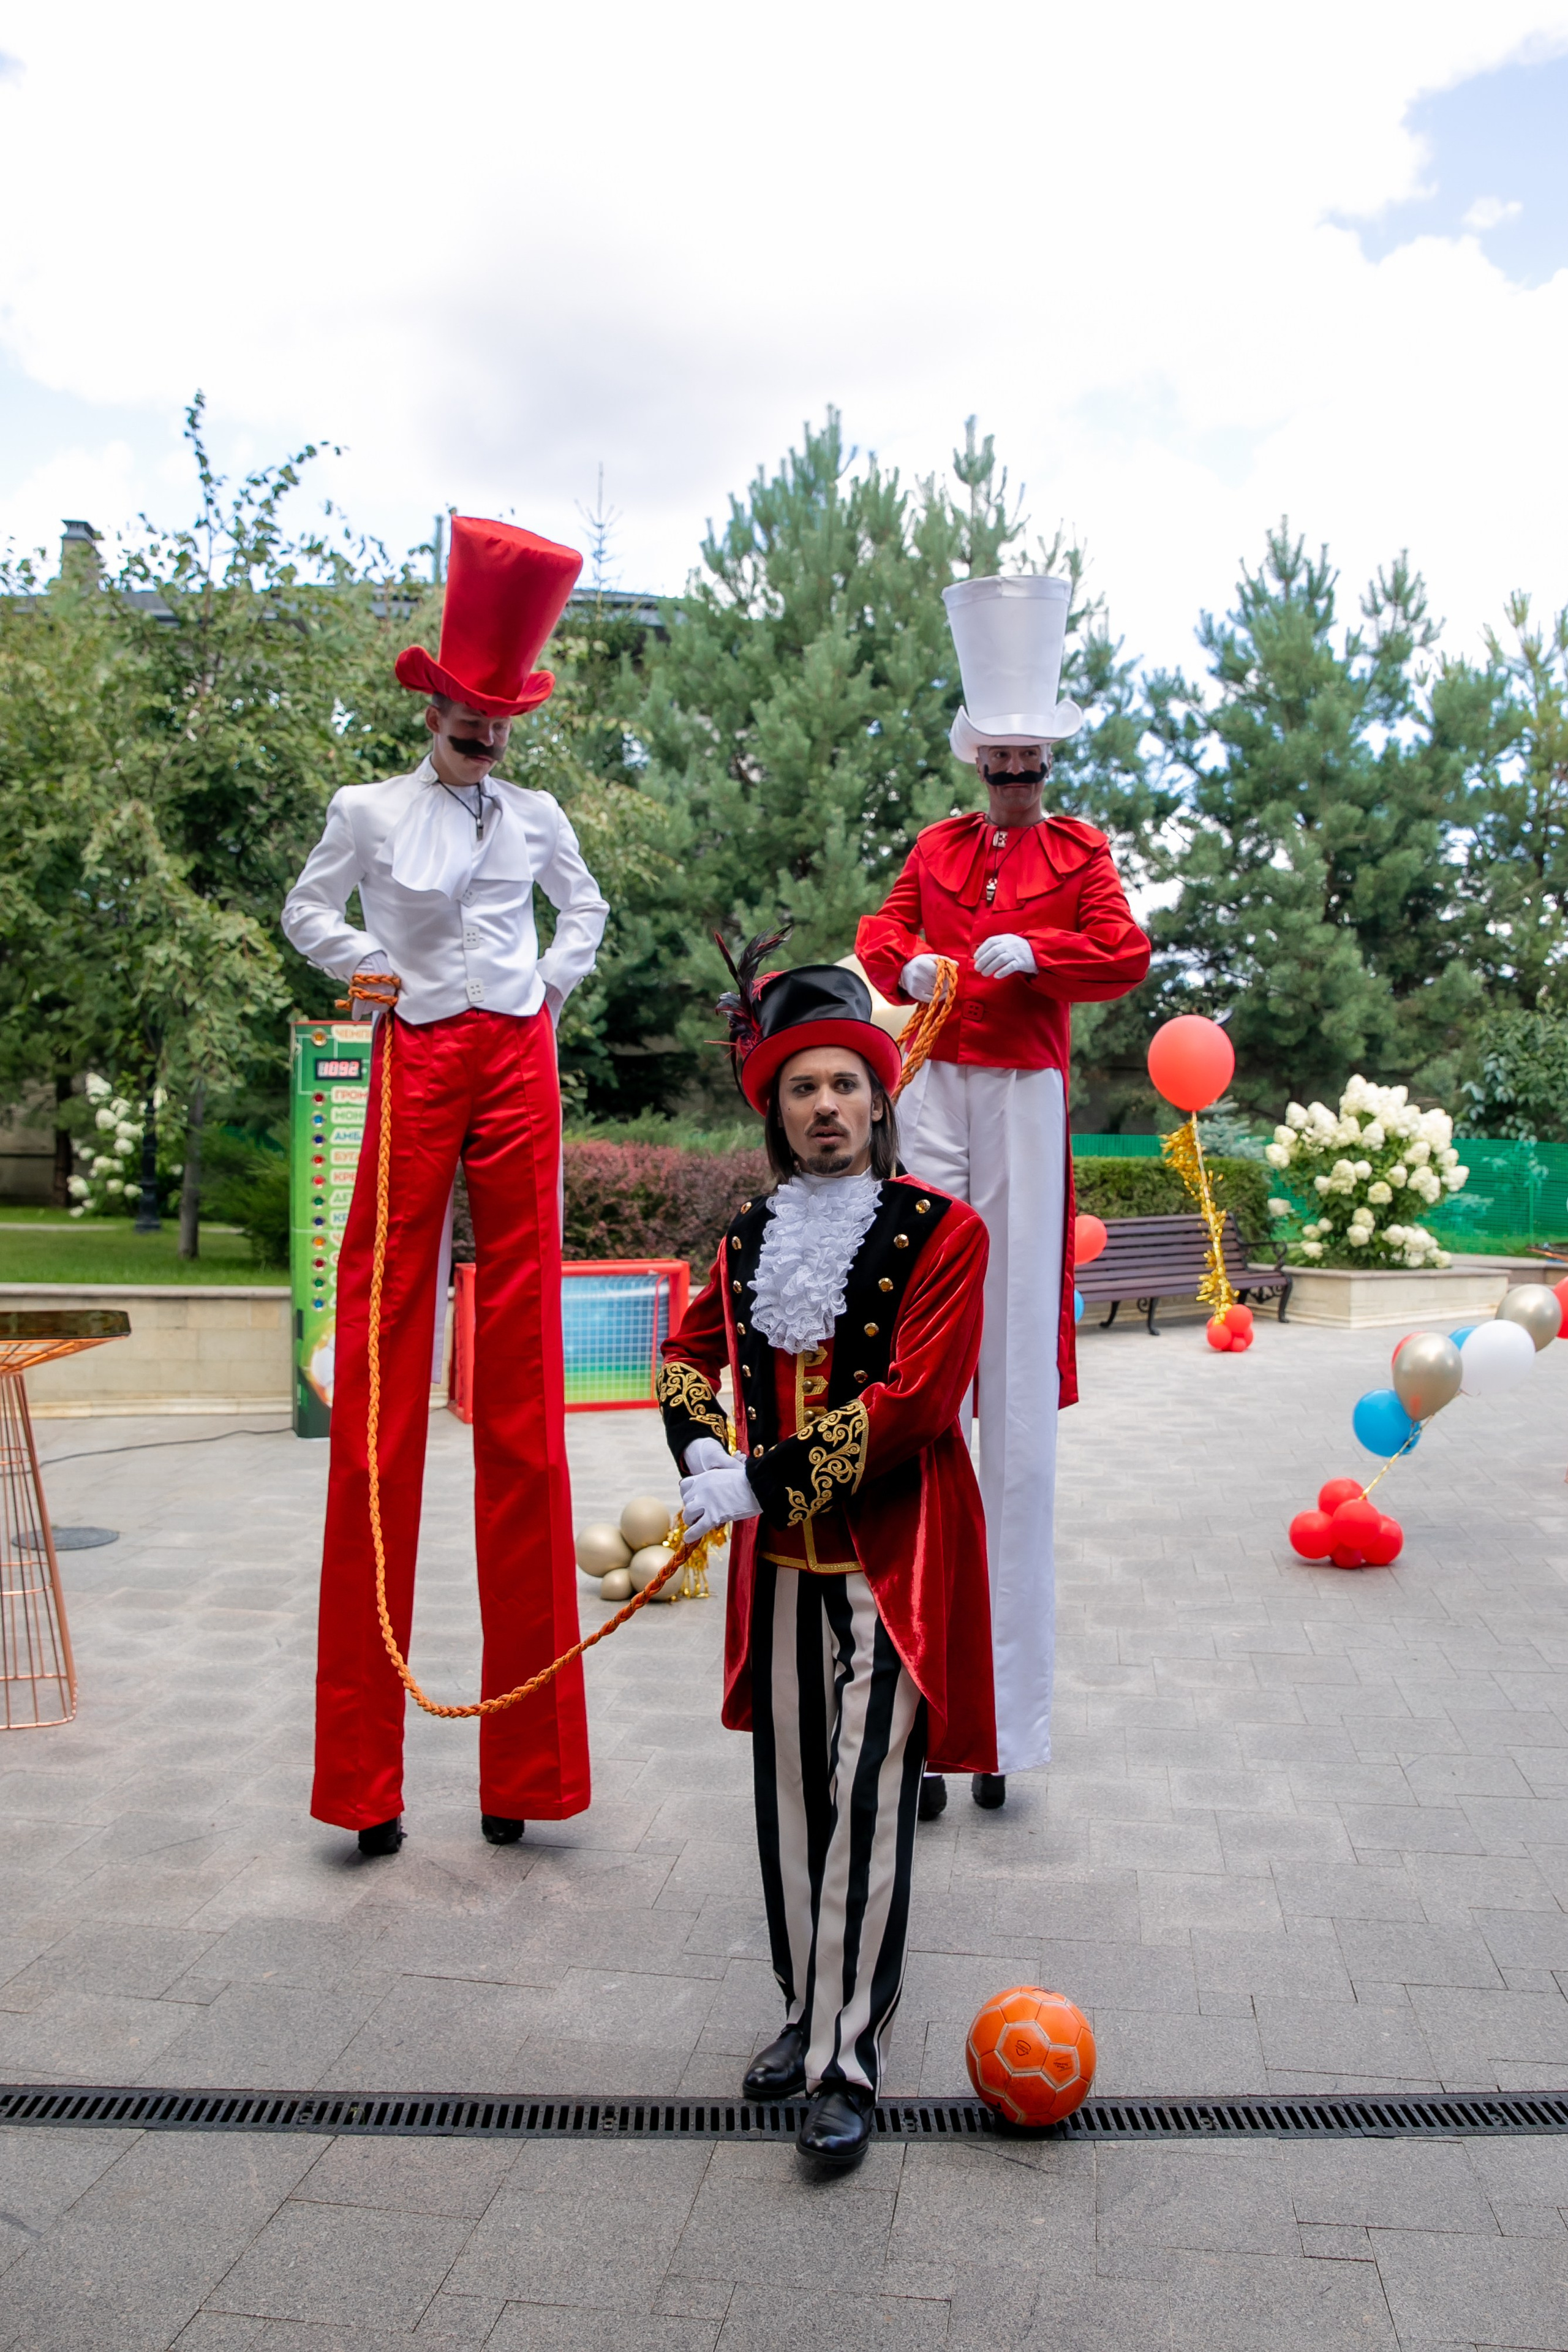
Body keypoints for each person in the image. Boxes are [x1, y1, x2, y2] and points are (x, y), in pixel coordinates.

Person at [281, 516, 609, 1857]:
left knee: (524, 1382)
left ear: (512, 722)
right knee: (380, 1362)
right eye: (464, 718)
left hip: (516, 1056)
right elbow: (308, 913)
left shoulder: (536, 818)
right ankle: (364, 1778)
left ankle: (524, 1770)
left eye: (498, 721)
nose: (481, 737)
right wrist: (375, 976)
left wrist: (549, 988)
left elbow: (583, 912)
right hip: (416, 1053)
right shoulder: (367, 810)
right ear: (435, 709)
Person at [657, 947, 996, 2168]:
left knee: (864, 1803)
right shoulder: (749, 1234)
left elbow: (913, 1402)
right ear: (776, 1111)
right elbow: (687, 1354)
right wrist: (700, 1455)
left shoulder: (944, 1233)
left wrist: (757, 1479)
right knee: (792, 1801)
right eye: (798, 1090)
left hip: (888, 1562)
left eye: (842, 1085)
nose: (823, 1109)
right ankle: (805, 2008)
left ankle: (849, 2055)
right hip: (778, 1570)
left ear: (876, 1097)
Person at [857, 574, 1149, 1817]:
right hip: (933, 1093)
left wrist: (1052, 957)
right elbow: (875, 934)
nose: (1015, 782)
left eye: (1030, 766)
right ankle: (918, 1703)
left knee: (1013, 1403)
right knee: (919, 1371)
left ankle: (998, 1727)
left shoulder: (1080, 855)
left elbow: (1125, 955)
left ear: (1045, 767)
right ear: (978, 762)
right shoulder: (933, 850)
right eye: (1000, 765)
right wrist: (904, 958)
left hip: (1023, 1093)